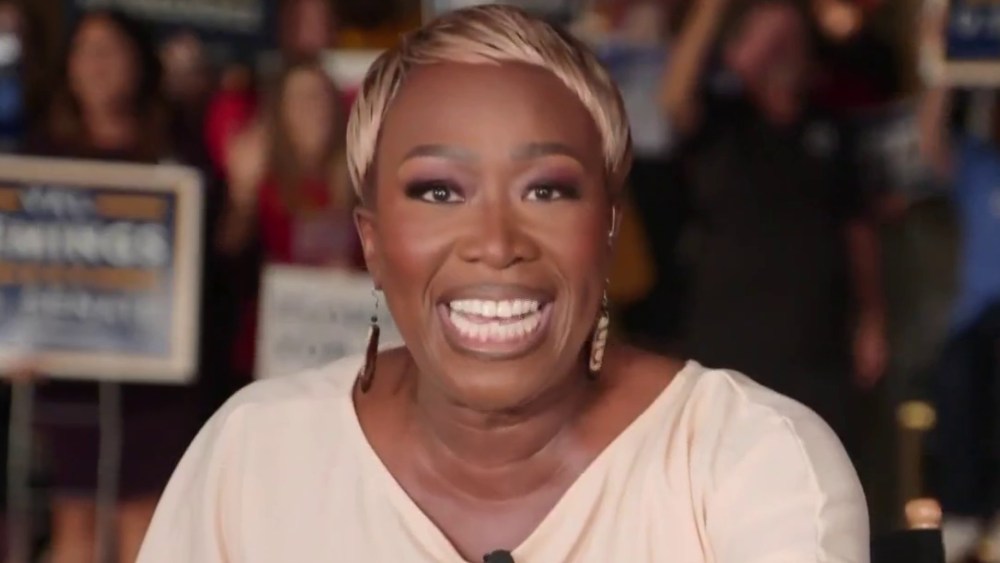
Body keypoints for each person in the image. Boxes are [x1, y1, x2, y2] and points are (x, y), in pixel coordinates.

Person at [137, 5, 868, 562]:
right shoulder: (256, 457)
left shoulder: (750, 458)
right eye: (438, 191)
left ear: (609, 230)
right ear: (373, 242)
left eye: (546, 190)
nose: (495, 243)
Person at [24, 10, 211, 563]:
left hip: (155, 388)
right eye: (85, 52)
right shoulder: (41, 156)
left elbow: (218, 260)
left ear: (139, 63)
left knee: (145, 528)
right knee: (75, 522)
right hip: (68, 379)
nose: (97, 65)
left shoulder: (178, 150)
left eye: (110, 51)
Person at [661, 0, 887, 448]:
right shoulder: (720, 119)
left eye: (793, 42)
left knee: (820, 459)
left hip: (818, 343)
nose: (784, 54)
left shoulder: (831, 128)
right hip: (730, 337)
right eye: (771, 43)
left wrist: (873, 319)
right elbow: (673, 97)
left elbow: (858, 231)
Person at [216, 56, 360, 391]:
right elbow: (228, 253)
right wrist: (241, 195)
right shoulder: (262, 180)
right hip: (275, 350)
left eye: (320, 97)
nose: (313, 108)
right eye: (300, 99)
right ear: (280, 113)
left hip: (344, 347)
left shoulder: (360, 182)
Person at [917, 1, 1000, 559]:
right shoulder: (977, 163)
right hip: (975, 322)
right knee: (958, 391)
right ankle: (965, 514)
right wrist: (943, 62)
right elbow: (930, 144)